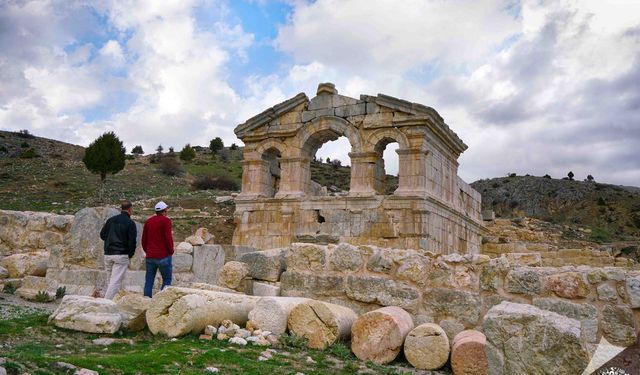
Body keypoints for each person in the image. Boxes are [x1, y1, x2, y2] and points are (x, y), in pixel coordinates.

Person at [100, 200, 137, 299]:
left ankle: (112, 301)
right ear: (130, 209)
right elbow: (132, 241)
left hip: (108, 254)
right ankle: (106, 304)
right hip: (121, 254)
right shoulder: (130, 223)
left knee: (110, 280)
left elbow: (102, 235)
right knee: (115, 282)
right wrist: (130, 254)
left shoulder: (111, 220)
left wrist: (109, 241)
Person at [141, 201, 174, 297]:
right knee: (167, 280)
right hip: (163, 255)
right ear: (165, 210)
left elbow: (144, 240)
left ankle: (146, 301)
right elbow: (168, 238)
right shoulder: (166, 221)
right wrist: (171, 250)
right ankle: (161, 301)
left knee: (149, 280)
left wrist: (148, 251)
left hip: (150, 256)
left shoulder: (148, 221)